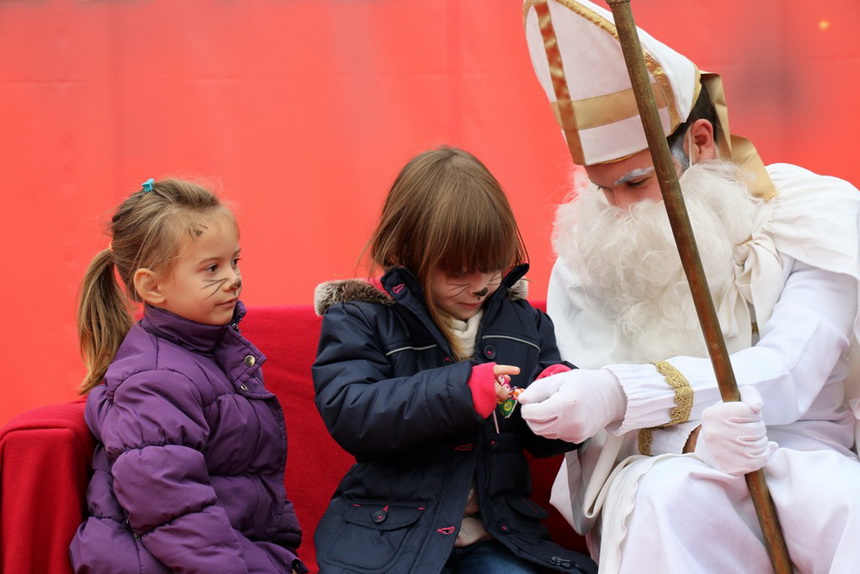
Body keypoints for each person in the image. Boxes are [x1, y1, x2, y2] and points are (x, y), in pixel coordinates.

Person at [516, 1, 860, 573]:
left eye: (636, 182)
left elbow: (790, 372)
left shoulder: (814, 212)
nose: (620, 211)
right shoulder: (589, 254)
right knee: (667, 499)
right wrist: (693, 441)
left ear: (699, 140)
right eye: (604, 190)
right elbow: (601, 444)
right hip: (667, 465)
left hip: (807, 455)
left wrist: (623, 393)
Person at [311, 146, 597, 573]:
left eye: (492, 266)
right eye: (459, 271)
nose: (480, 286)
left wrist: (563, 396)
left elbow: (542, 443)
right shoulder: (360, 318)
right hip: (390, 536)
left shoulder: (526, 323)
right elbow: (353, 414)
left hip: (497, 535)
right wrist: (461, 391)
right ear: (408, 253)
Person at [69, 178, 307, 573]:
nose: (232, 278)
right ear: (153, 286)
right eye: (211, 268)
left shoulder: (213, 354)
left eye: (234, 262)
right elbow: (170, 505)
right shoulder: (157, 378)